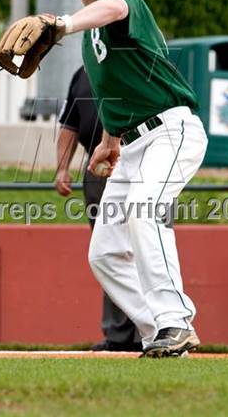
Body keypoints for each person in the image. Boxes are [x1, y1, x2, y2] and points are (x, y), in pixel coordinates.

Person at [52, 0, 208, 357]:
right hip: (131, 145)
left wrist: (62, 23)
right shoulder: (90, 41)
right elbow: (115, 95)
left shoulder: (123, 0)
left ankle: (175, 320)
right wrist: (108, 141)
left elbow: (113, 9)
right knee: (103, 253)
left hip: (171, 130)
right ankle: (159, 330)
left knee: (143, 215)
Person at [55, 66, 142, 352]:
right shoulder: (83, 73)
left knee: (145, 246)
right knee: (109, 251)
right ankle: (118, 336)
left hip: (141, 161)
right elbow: (69, 123)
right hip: (99, 167)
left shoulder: (141, 64)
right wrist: (62, 168)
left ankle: (153, 330)